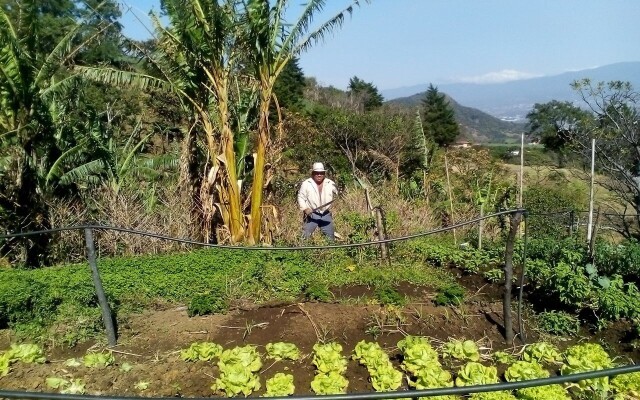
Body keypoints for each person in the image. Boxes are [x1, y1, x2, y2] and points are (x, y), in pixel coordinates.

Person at [297, 162, 338, 240]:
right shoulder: (306, 184)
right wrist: (305, 209)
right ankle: (302, 250)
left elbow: (338, 192)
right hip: (312, 214)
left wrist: (340, 192)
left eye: (321, 173)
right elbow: (301, 197)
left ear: (324, 173)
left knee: (330, 238)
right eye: (317, 173)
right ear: (313, 173)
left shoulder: (330, 183)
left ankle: (330, 251)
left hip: (326, 214)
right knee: (305, 237)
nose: (319, 175)